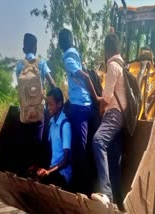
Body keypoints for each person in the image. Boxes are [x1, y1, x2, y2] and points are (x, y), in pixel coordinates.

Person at [58, 28, 101, 195]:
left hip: (80, 107)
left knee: (80, 149)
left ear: (61, 43)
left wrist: (96, 97)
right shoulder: (75, 54)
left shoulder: (68, 58)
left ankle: (85, 189)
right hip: (85, 104)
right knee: (85, 146)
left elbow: (86, 77)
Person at [91, 33, 127, 207]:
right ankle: (119, 201)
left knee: (98, 141)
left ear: (107, 50)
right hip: (122, 115)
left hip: (113, 114)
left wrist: (100, 109)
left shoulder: (112, 65)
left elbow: (107, 98)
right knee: (114, 157)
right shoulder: (122, 64)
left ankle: (107, 194)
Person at [16, 33, 56, 174]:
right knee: (42, 139)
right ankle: (40, 167)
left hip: (25, 111)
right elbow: (52, 83)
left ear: (23, 48)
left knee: (26, 140)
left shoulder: (19, 65)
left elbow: (21, 89)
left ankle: (27, 168)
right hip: (39, 110)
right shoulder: (41, 63)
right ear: (36, 47)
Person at [36, 87, 72, 189]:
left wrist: (48, 171)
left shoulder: (65, 125)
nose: (48, 108)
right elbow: (49, 150)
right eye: (47, 104)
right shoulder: (51, 122)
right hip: (52, 171)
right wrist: (39, 167)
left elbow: (66, 160)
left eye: (51, 104)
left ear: (59, 104)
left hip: (62, 175)